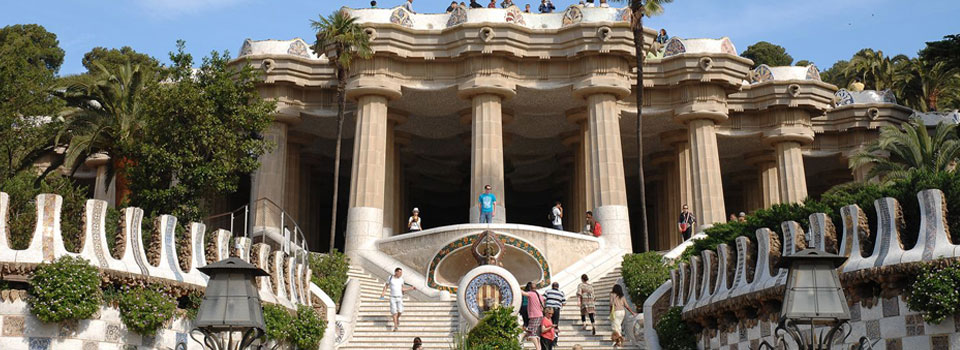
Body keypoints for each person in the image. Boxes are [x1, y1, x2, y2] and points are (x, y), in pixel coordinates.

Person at [525, 282, 546, 350]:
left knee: (531, 333)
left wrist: (515, 286)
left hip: (535, 315)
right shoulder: (539, 295)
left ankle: (538, 348)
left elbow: (523, 293)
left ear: (530, 288)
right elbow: (543, 304)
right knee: (533, 333)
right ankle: (539, 347)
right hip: (539, 315)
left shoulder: (531, 294)